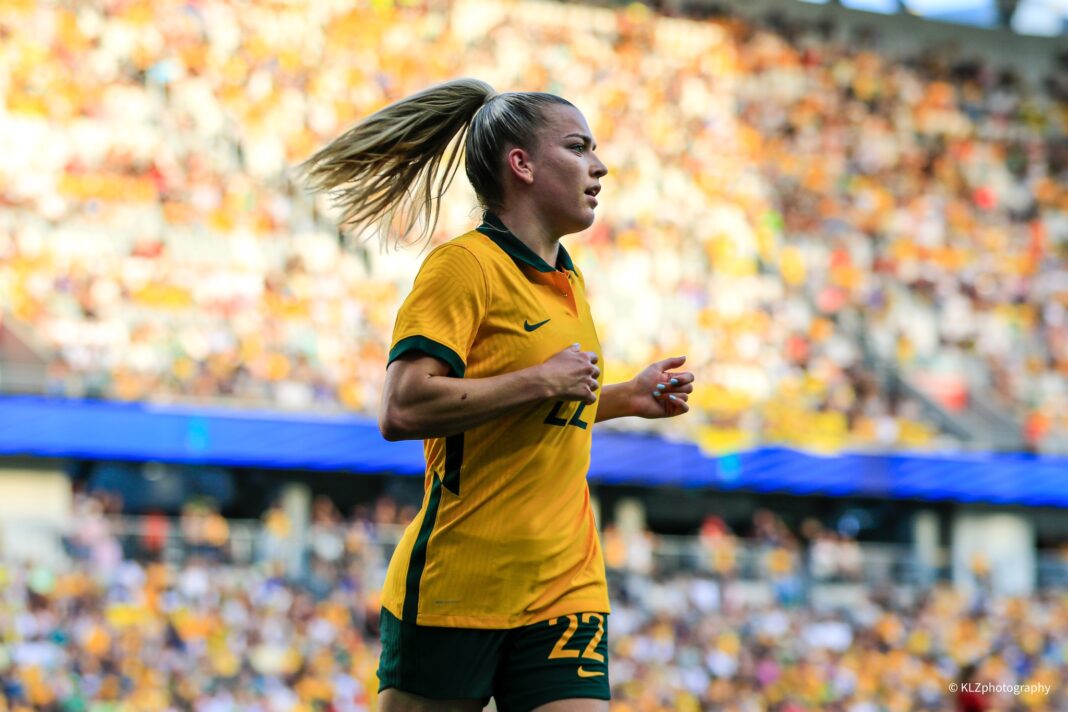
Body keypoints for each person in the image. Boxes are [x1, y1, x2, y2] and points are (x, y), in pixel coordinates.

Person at [301, 78, 695, 712]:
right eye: (578, 147)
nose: (599, 166)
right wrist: (540, 379)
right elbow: (402, 407)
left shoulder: (568, 277)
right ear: (523, 165)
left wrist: (623, 397)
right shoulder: (464, 267)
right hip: (461, 585)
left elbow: (547, 410)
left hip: (566, 583)